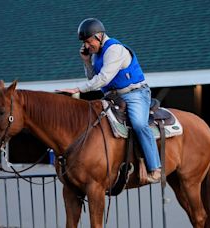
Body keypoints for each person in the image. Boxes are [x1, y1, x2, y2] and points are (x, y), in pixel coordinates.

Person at [58, 18, 161, 184]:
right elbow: (94, 78)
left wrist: (79, 89)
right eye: (85, 43)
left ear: (99, 36)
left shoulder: (114, 49)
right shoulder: (95, 54)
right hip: (113, 97)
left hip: (134, 94)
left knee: (139, 124)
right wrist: (86, 61)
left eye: (89, 41)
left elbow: (104, 79)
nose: (87, 46)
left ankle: (155, 167)